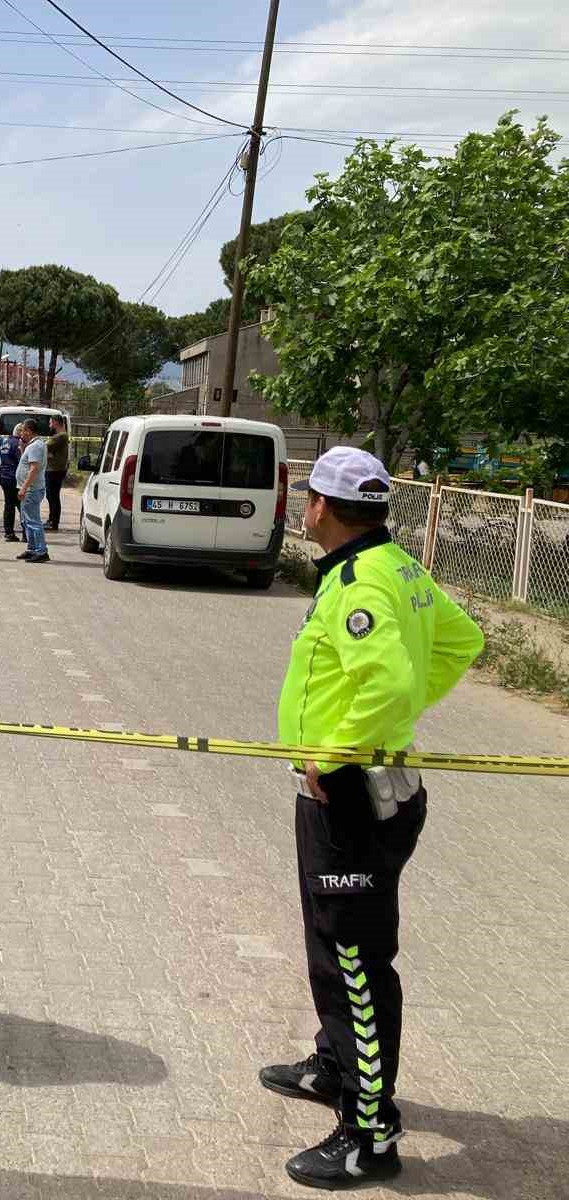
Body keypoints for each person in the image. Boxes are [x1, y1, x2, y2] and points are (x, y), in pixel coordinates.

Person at [262, 447, 483, 1190]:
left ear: (322, 508)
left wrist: (346, 747)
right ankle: (335, 1065)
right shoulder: (400, 568)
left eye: (305, 499)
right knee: (331, 944)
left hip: (352, 795)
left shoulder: (360, 581)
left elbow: (388, 676)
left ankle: (370, 1133)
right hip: (357, 784)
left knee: (351, 961)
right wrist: (392, 720)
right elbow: (461, 643)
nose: (302, 509)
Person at [13, 420, 50, 564]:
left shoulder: (36, 446)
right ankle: (32, 548)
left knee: (33, 521)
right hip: (30, 489)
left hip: (31, 490)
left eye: (22, 431)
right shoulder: (34, 445)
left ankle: (41, 551)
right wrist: (23, 449)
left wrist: (24, 488)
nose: (21, 433)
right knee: (26, 520)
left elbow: (34, 469)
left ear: (29, 431)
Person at [0, 425, 22, 544]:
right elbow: (21, 460)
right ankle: (26, 533)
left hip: (4, 476)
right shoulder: (17, 444)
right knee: (21, 506)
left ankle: (9, 533)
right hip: (15, 477)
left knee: (9, 505)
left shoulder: (4, 442)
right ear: (19, 432)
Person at [43, 415, 69, 531]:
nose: (49, 425)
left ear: (55, 423)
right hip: (53, 469)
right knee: (51, 496)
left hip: (55, 470)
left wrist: (48, 453)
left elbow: (45, 447)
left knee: (52, 496)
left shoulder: (61, 436)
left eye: (50, 423)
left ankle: (53, 522)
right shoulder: (58, 436)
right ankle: (51, 520)